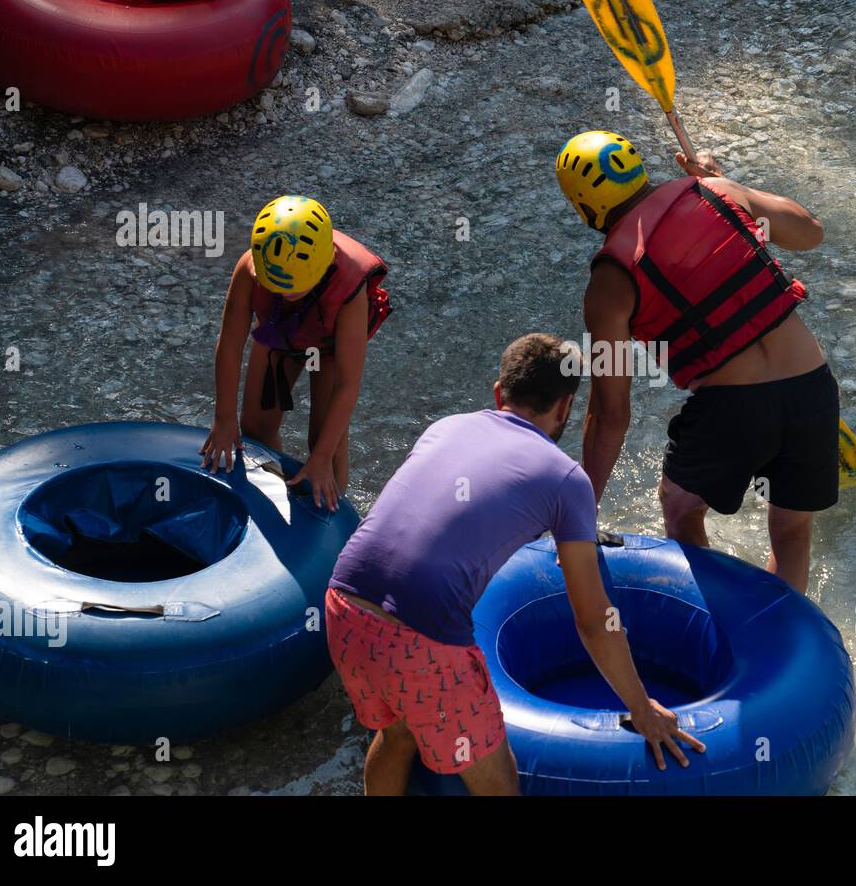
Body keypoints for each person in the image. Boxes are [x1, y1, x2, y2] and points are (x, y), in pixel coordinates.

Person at [325, 333, 704, 795]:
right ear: (565, 408)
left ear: (498, 392)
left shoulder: (446, 426)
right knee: (498, 782)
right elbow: (592, 620)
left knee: (398, 731)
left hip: (342, 605)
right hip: (421, 642)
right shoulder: (566, 479)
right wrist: (642, 708)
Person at [557, 130, 834, 594]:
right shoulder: (717, 193)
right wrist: (726, 181)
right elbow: (811, 231)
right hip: (813, 385)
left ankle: (720, 625)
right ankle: (781, 643)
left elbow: (610, 414)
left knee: (682, 508)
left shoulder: (610, 280)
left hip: (733, 409)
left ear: (585, 207)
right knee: (790, 530)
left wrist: (580, 516)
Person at [200, 195, 390, 510]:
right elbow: (231, 344)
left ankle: (333, 514)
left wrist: (320, 457)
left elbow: (347, 383)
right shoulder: (251, 268)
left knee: (324, 445)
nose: (286, 294)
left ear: (324, 266)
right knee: (255, 429)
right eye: (276, 287)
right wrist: (223, 418)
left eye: (294, 288)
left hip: (328, 346)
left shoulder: (349, 287)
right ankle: (274, 495)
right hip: (279, 331)